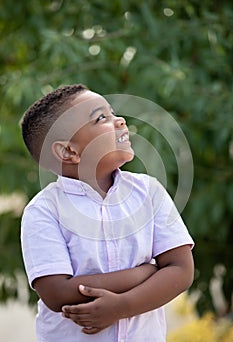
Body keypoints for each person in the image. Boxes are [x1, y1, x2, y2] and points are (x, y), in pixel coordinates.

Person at [21, 84, 194, 342]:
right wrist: (144, 273)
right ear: (69, 151)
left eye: (112, 113)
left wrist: (122, 306)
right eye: (101, 118)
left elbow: (181, 270)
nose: (120, 121)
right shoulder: (43, 211)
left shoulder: (149, 193)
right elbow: (57, 293)